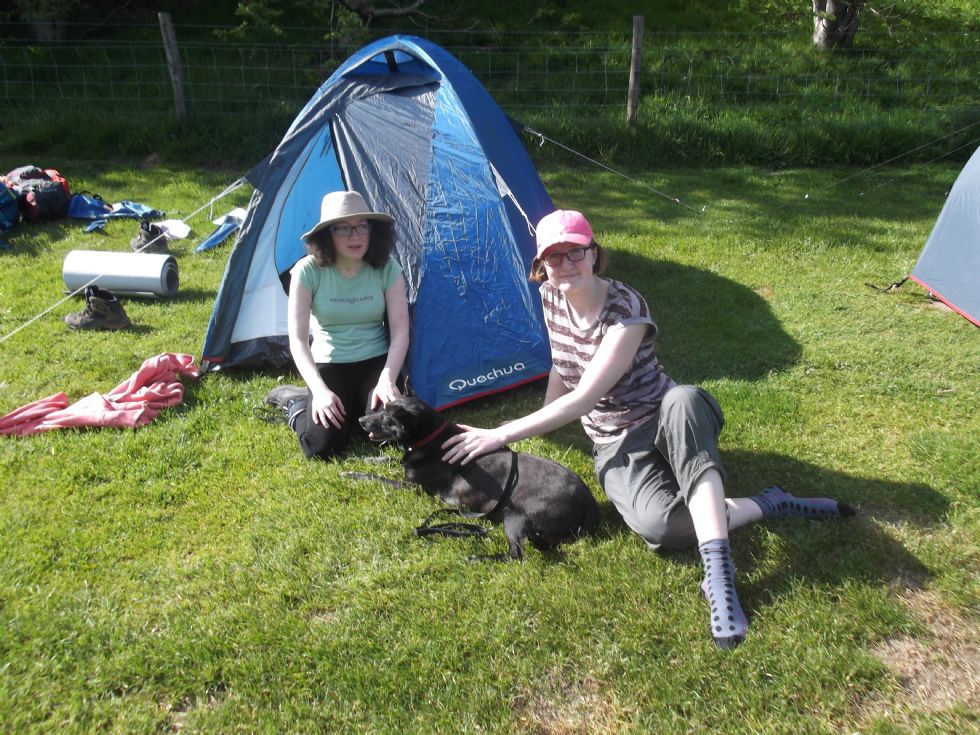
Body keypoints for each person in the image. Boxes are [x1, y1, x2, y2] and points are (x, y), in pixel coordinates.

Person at [442, 209, 853, 649]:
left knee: (685, 398)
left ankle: (718, 575)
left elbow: (584, 397)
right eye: (554, 257)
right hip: (614, 439)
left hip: (667, 416)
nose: (567, 265)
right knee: (663, 529)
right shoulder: (549, 298)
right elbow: (565, 365)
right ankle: (770, 503)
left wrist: (502, 433)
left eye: (575, 252)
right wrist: (544, 417)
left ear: (594, 253)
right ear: (541, 264)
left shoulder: (626, 308)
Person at [265, 191, 409, 460]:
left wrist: (388, 379)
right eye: (343, 228)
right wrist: (319, 391)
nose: (355, 236)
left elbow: (400, 331)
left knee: (392, 435)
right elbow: (297, 339)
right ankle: (297, 405)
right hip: (329, 364)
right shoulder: (307, 271)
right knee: (321, 448)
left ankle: (356, 407)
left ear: (372, 230)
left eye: (362, 226)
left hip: (375, 364)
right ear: (327, 234)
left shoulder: (387, 268)